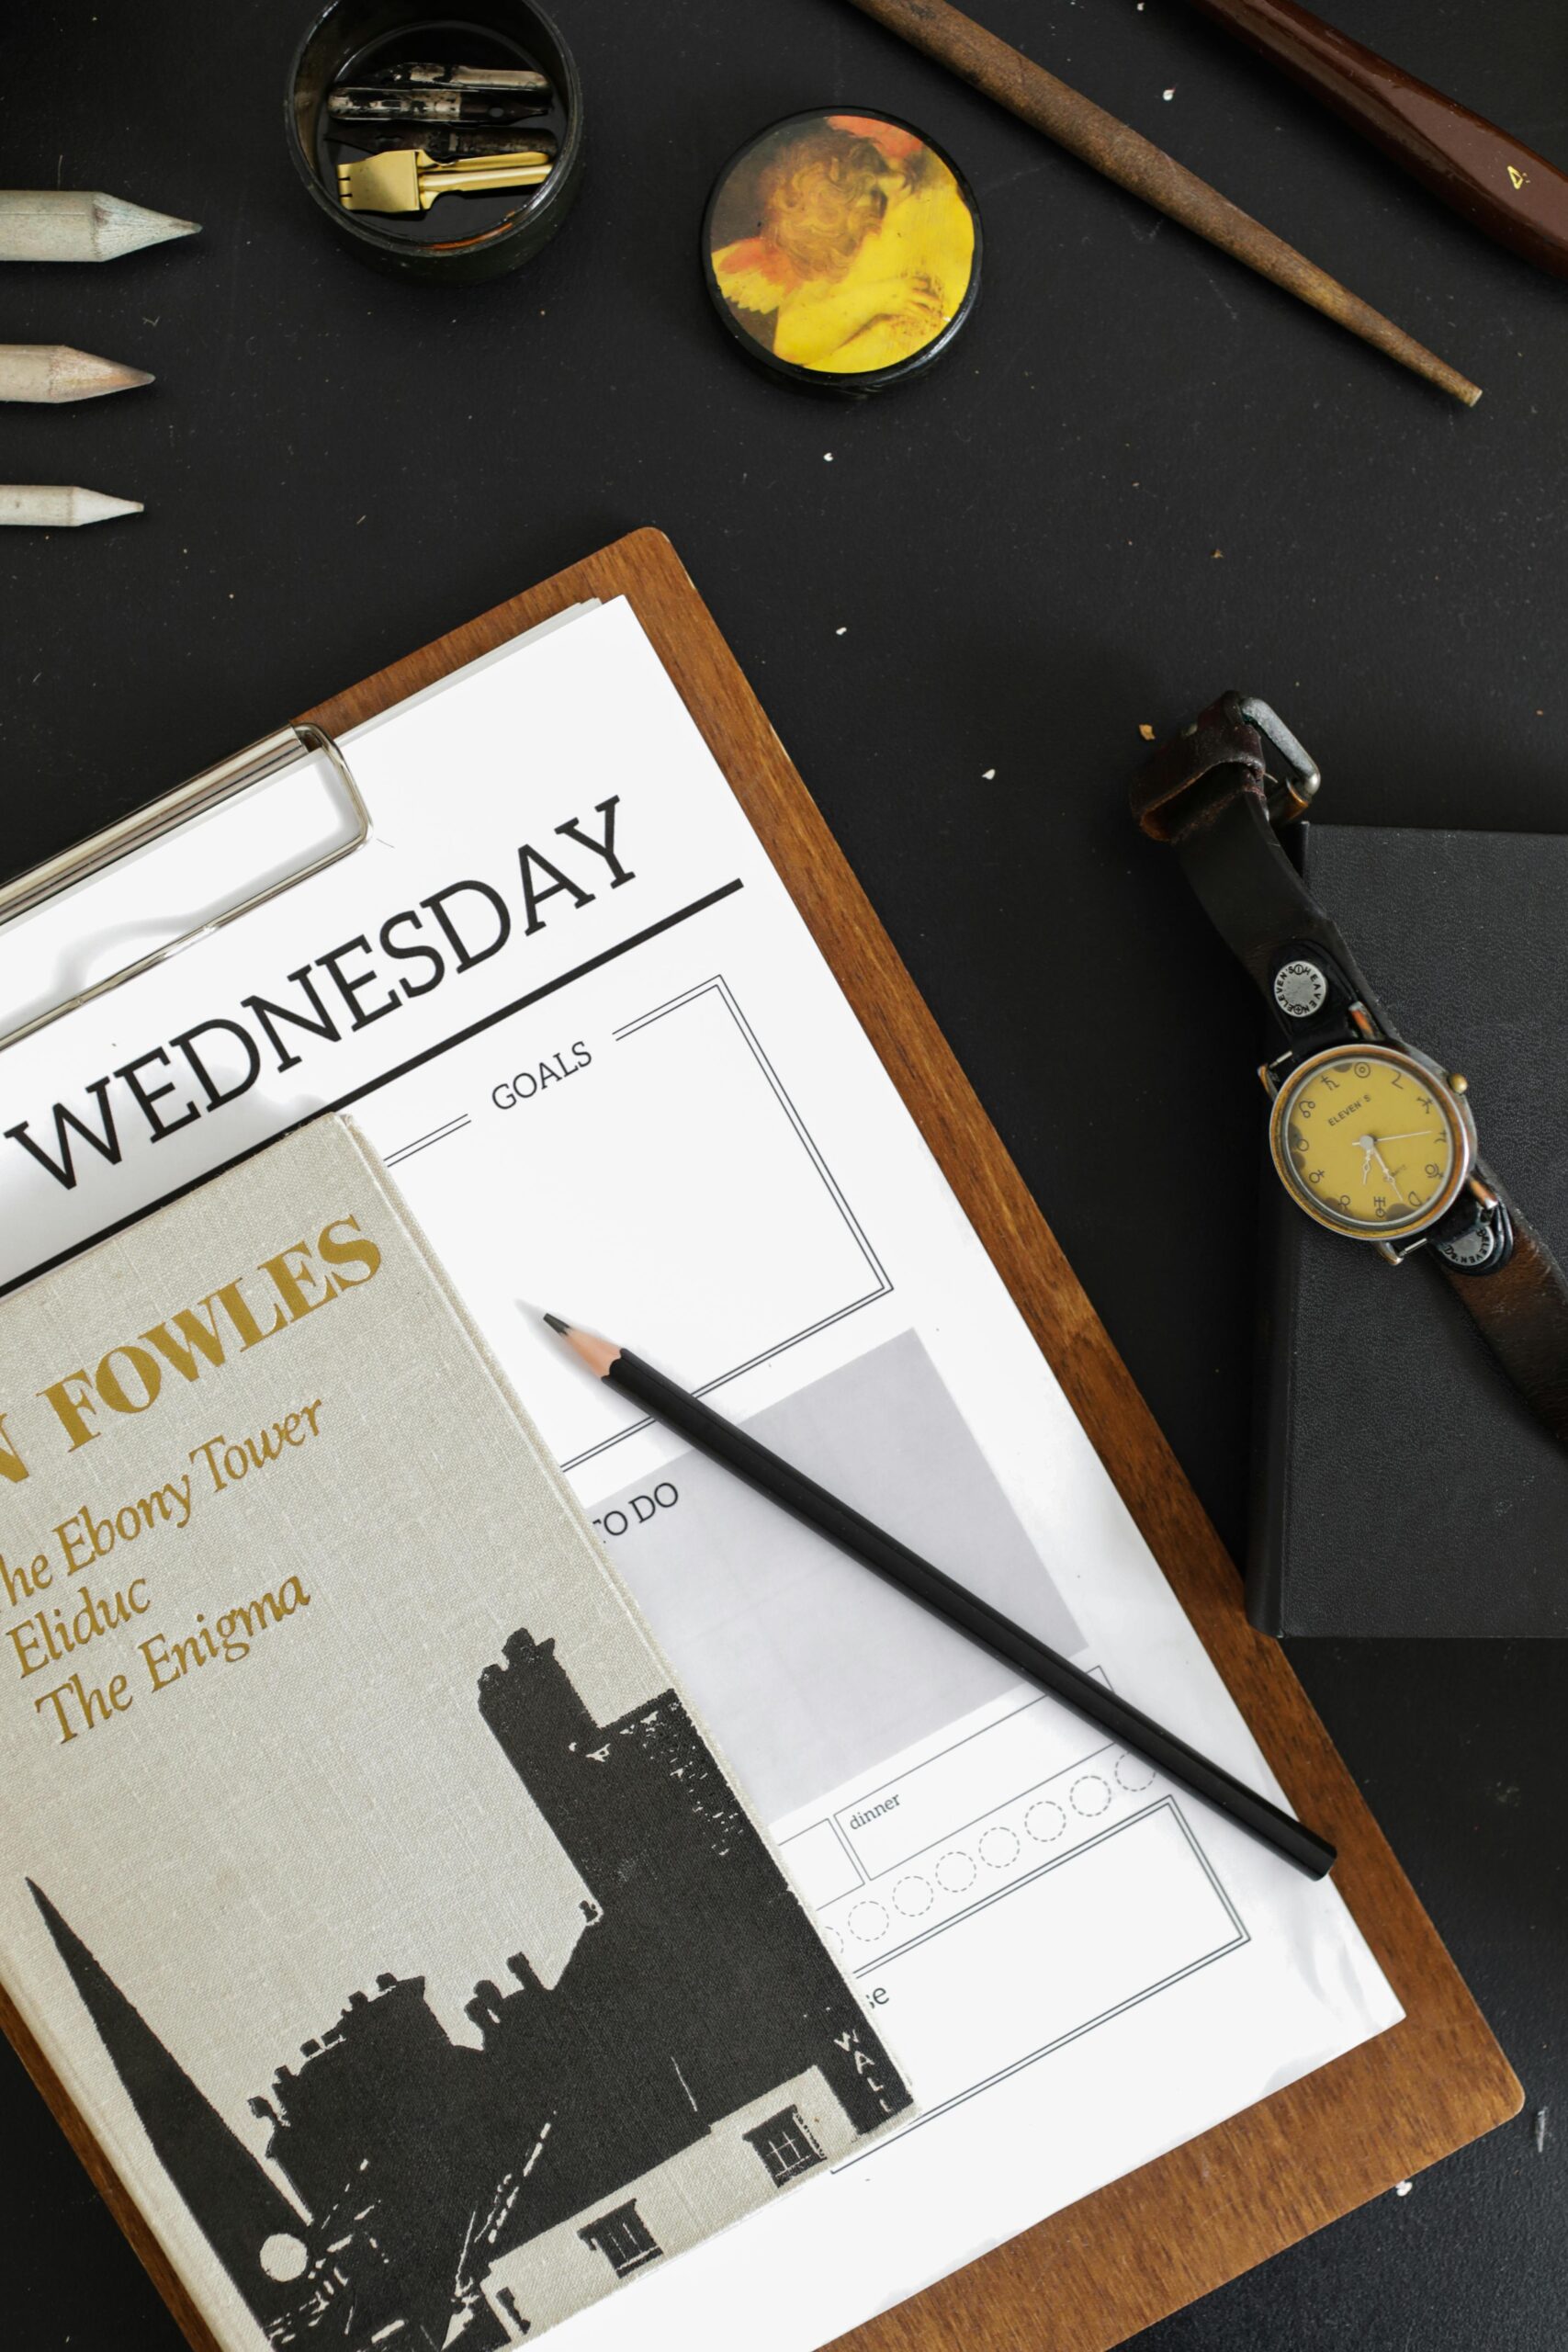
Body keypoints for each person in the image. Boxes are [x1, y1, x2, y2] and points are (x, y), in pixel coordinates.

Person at [713, 114, 975, 374]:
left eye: (884, 170)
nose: (898, 182)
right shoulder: (830, 265)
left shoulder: (924, 204)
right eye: (875, 193)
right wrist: (880, 297)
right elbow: (790, 346)